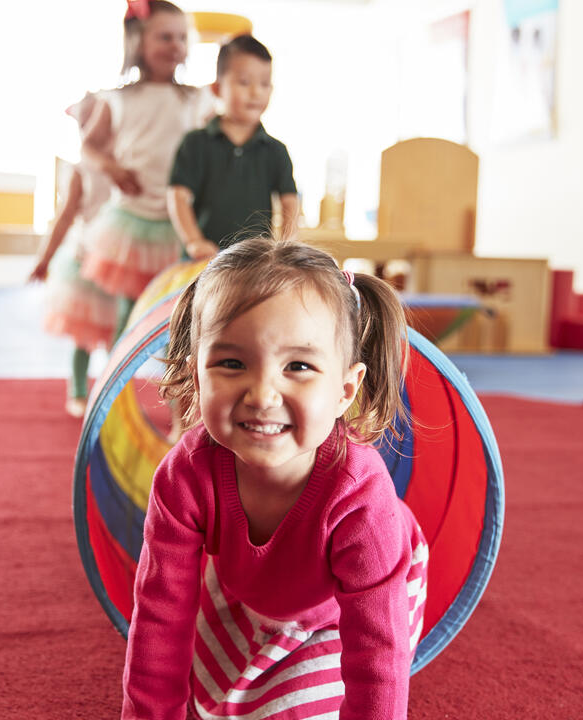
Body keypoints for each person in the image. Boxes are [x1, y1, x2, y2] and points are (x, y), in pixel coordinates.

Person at [121, 237, 429, 720]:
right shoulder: (185, 476)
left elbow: (378, 652)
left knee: (283, 710)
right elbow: (160, 617)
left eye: (299, 366)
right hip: (253, 588)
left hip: (350, 608)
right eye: (231, 363)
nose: (263, 394)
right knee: (207, 696)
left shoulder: (361, 499)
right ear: (196, 378)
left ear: (345, 391)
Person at [80, 0, 214, 341]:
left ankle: (174, 382)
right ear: (139, 42)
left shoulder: (196, 99)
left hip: (178, 220)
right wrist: (111, 166)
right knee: (129, 308)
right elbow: (89, 146)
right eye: (165, 37)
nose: (176, 46)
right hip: (133, 219)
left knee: (178, 304)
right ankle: (118, 377)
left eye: (182, 39)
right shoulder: (118, 99)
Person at [167, 34, 299, 259]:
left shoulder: (276, 151)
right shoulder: (195, 143)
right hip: (203, 263)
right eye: (244, 82)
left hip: (254, 264)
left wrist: (286, 244)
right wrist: (194, 241)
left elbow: (290, 202)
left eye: (264, 84)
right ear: (217, 89)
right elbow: (178, 196)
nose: (256, 92)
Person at [29, 94, 115, 418]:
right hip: (87, 260)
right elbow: (64, 218)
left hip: (117, 260)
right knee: (86, 332)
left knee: (115, 333)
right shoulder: (82, 170)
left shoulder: (122, 165)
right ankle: (79, 391)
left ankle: (108, 393)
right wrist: (45, 258)